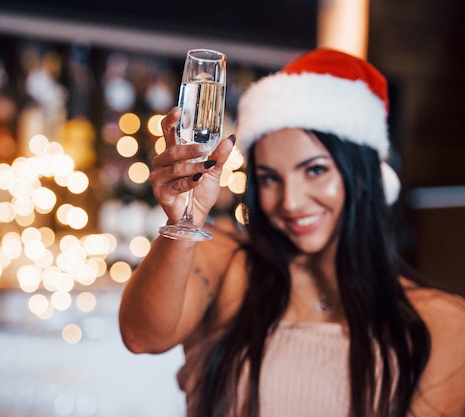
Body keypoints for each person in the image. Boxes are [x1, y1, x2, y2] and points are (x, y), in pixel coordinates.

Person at [118, 48, 465, 417]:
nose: (292, 202)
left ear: (364, 176)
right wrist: (181, 221)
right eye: (269, 178)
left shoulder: (441, 322)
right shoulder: (228, 265)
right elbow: (142, 337)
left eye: (315, 170)